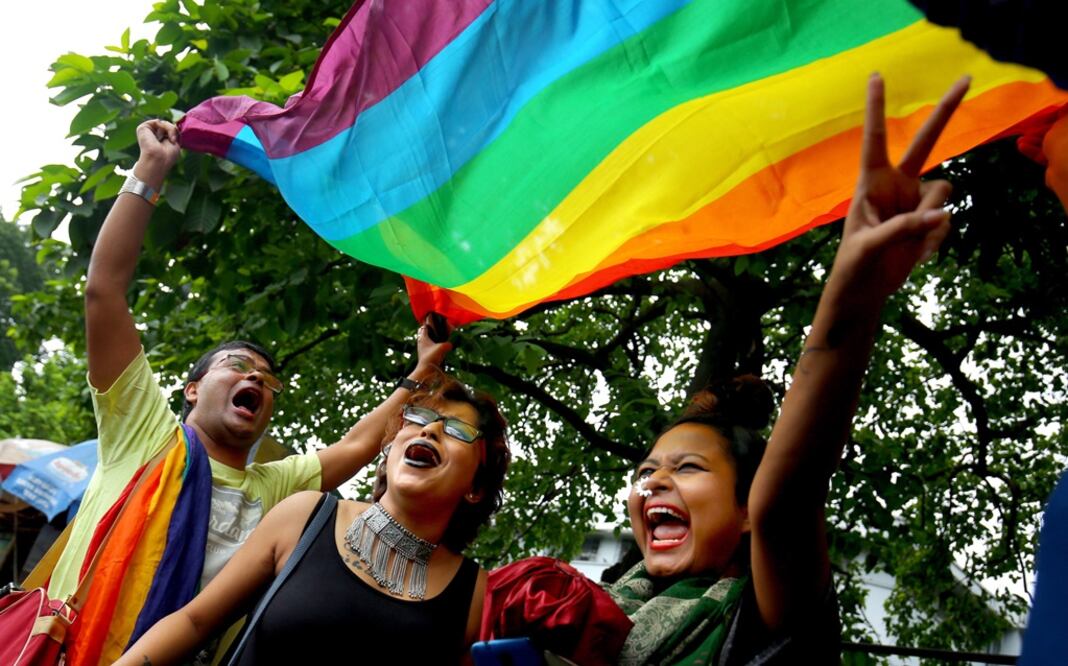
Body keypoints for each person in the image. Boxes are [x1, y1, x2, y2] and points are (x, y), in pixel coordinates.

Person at [482, 73, 971, 665]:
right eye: (647, 471)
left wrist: (856, 291)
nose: (653, 483)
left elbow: (786, 501)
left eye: (686, 468)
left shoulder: (762, 623)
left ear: (745, 511)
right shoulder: (571, 623)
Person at [50, 119, 452, 664]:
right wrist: (148, 172)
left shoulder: (276, 485)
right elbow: (104, 292)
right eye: (238, 367)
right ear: (191, 390)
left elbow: (360, 448)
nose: (255, 380)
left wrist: (423, 370)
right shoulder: (142, 430)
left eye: (267, 380)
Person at [116, 372, 510, 665]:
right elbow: (194, 623)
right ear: (389, 449)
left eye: (459, 430)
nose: (434, 428)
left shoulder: (479, 596)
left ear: (476, 486)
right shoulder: (304, 515)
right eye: (420, 418)